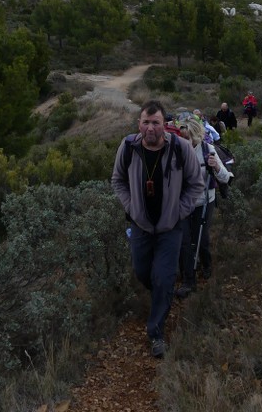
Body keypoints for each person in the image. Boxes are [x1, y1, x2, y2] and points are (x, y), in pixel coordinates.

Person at [111, 100, 204, 358]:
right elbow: (117, 180)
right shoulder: (128, 147)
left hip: (170, 228)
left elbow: (196, 184)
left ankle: (156, 332)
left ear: (165, 125)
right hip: (140, 226)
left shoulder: (180, 148)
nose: (150, 128)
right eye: (145, 122)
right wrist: (131, 208)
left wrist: (179, 211)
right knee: (143, 272)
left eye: (156, 123)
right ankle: (161, 296)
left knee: (163, 278)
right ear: (139, 124)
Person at [175, 117, 232, 298]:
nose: (185, 141)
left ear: (196, 136)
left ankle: (206, 264)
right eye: (182, 138)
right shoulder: (174, 153)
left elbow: (225, 177)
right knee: (184, 240)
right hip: (182, 204)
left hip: (204, 201)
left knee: (202, 239)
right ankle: (188, 280)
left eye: (188, 137)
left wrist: (215, 167)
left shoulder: (208, 150)